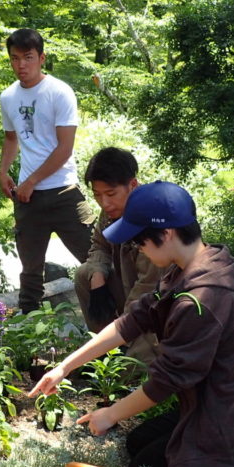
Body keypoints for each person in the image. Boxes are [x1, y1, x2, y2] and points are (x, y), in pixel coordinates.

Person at [30, 181, 234, 467]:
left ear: (166, 234)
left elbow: (165, 382)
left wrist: (109, 414)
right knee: (139, 443)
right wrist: (65, 366)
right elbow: (132, 321)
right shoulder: (196, 265)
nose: (136, 247)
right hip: (221, 402)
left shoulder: (200, 300)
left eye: (139, 240)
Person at [0, 28, 95, 314]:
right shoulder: (8, 97)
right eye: (15, 59)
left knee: (96, 261)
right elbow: (11, 138)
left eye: (28, 58)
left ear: (42, 58)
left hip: (64, 192)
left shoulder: (59, 92)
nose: (21, 66)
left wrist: (31, 181)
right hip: (28, 200)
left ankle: (118, 324)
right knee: (30, 271)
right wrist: (3, 171)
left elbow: (65, 148)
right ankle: (29, 336)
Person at [73, 147, 163, 365]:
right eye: (97, 195)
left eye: (111, 194)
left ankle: (120, 350)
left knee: (132, 375)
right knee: (84, 273)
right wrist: (97, 275)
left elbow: (147, 288)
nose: (104, 203)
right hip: (129, 291)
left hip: (158, 303)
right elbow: (99, 245)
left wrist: (121, 328)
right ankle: (106, 351)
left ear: (132, 185)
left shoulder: (153, 218)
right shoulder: (110, 212)